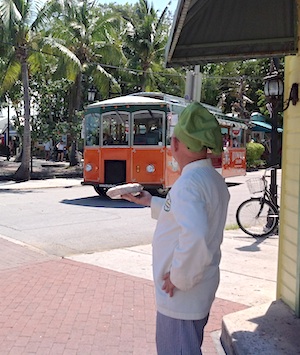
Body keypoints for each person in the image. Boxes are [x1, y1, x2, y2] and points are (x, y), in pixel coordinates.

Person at [122, 102, 230, 354]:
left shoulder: (189, 183)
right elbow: (188, 218)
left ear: (175, 144)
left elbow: (196, 235)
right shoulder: (212, 179)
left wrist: (178, 278)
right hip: (198, 289)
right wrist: (151, 201)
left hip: (180, 295)